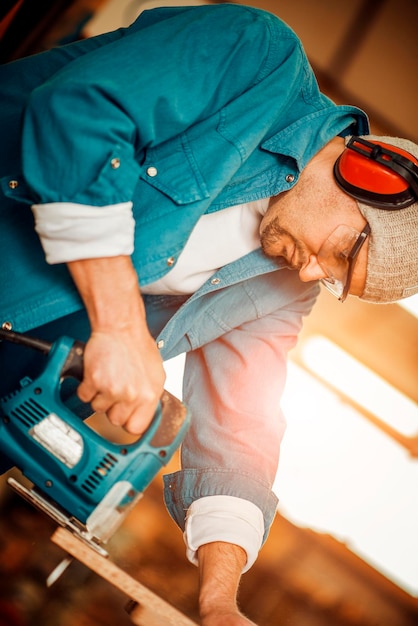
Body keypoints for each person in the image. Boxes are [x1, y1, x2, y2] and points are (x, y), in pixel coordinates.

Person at [0, 4, 417, 625]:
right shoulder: (252, 56)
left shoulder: (282, 286)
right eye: (338, 255)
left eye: (334, 284)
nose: (311, 275)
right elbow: (78, 117)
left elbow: (238, 434)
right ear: (368, 174)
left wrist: (220, 599)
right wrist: (118, 325)